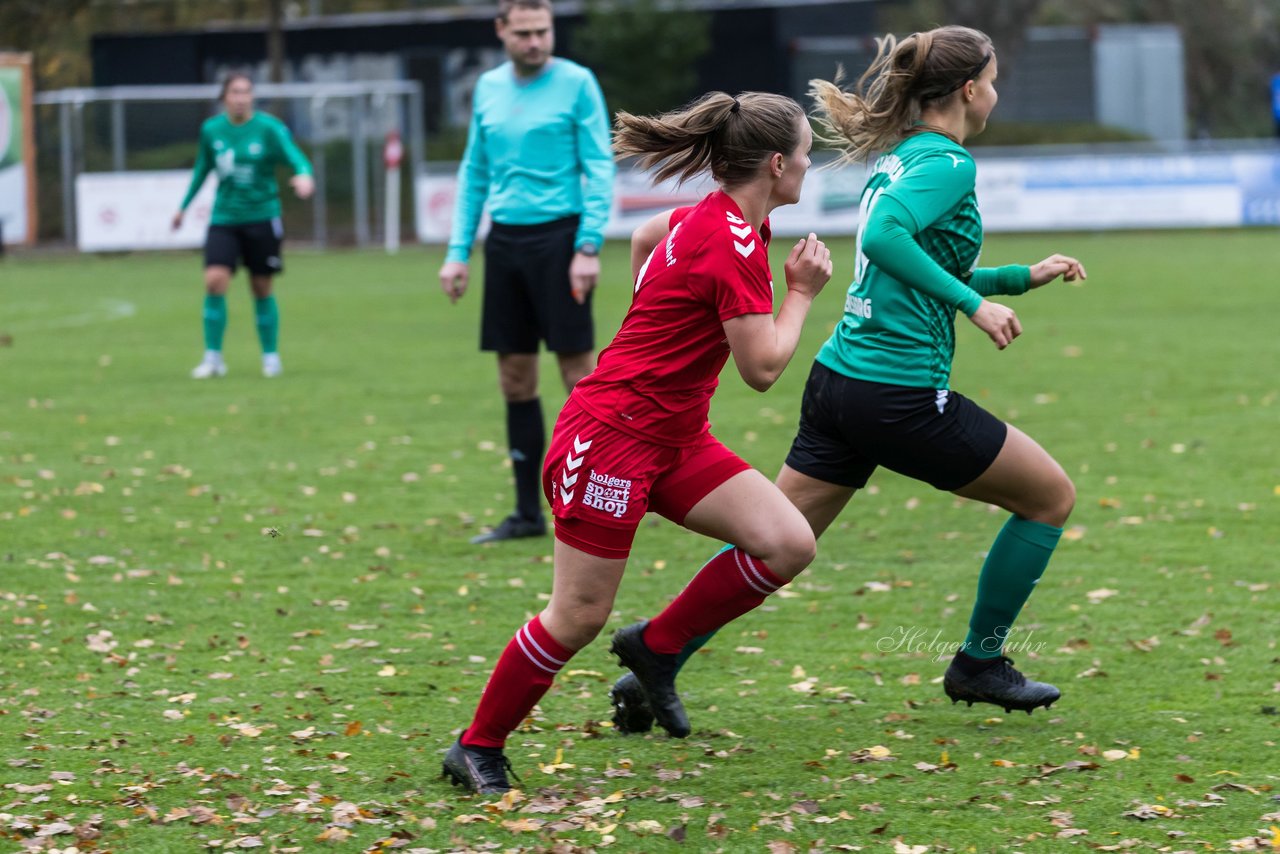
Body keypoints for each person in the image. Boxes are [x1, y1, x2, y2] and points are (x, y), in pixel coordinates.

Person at [608, 25, 1088, 738]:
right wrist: (975, 306)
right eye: (991, 79)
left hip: (841, 382)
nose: (996, 90)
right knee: (1050, 498)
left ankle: (655, 654)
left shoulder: (903, 159)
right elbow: (886, 241)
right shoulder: (949, 164)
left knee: (773, 542)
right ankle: (979, 664)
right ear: (967, 88)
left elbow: (914, 266)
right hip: (898, 395)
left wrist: (1018, 278)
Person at [441, 90, 833, 794]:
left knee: (788, 542)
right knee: (578, 616)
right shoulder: (736, 244)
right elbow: (764, 368)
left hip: (675, 437)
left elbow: (649, 238)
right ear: (777, 164)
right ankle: (476, 746)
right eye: (807, 152)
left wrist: (651, 329)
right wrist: (800, 292)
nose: (811, 163)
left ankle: (655, 648)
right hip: (612, 440)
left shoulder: (723, 219)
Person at [438, 0, 616, 545]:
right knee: (515, 379)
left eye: (543, 31)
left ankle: (600, 497)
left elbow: (599, 165)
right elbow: (475, 171)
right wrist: (457, 250)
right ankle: (525, 513)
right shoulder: (489, 89)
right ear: (501, 31)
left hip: (561, 240)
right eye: (524, 33)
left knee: (578, 376)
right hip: (507, 244)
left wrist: (587, 246)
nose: (535, 41)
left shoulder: (577, 82)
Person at [173, 72, 314, 379]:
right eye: (235, 92)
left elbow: (297, 159)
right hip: (224, 219)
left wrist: (304, 175)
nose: (241, 98)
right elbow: (202, 169)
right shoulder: (211, 130)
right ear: (224, 97)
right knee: (214, 281)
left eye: (246, 92)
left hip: (262, 217)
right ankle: (213, 359)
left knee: (261, 287)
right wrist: (183, 207)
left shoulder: (269, 129)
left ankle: (270, 357)